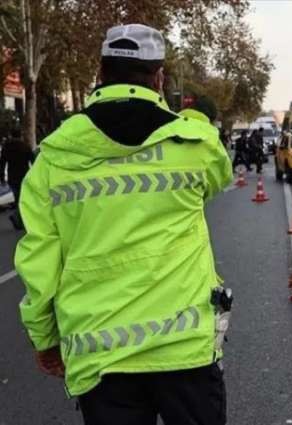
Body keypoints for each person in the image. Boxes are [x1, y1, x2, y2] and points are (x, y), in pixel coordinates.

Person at [14, 24, 232, 425]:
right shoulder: (193, 146)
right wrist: (188, 116)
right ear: (159, 76)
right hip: (183, 351)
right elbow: (220, 174)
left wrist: (45, 339)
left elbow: (39, 261)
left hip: (101, 356)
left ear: (100, 73)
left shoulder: (54, 156)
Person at [0, 127, 34, 230]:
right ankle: (17, 217)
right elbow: (33, 161)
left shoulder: (7, 147)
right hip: (24, 175)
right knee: (22, 198)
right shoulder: (25, 146)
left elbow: (2, 162)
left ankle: (18, 218)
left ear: (11, 135)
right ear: (20, 135)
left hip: (12, 176)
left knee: (18, 198)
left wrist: (1, 176)